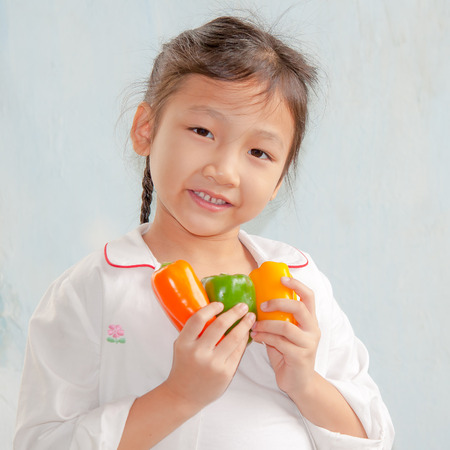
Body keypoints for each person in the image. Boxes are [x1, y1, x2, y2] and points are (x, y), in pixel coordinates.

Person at [14, 15, 394, 450]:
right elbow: (40, 443)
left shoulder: (299, 283)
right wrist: (179, 395)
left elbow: (373, 439)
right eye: (202, 131)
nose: (224, 171)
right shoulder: (92, 290)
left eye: (259, 151)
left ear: (280, 180)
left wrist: (305, 382)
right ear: (146, 129)